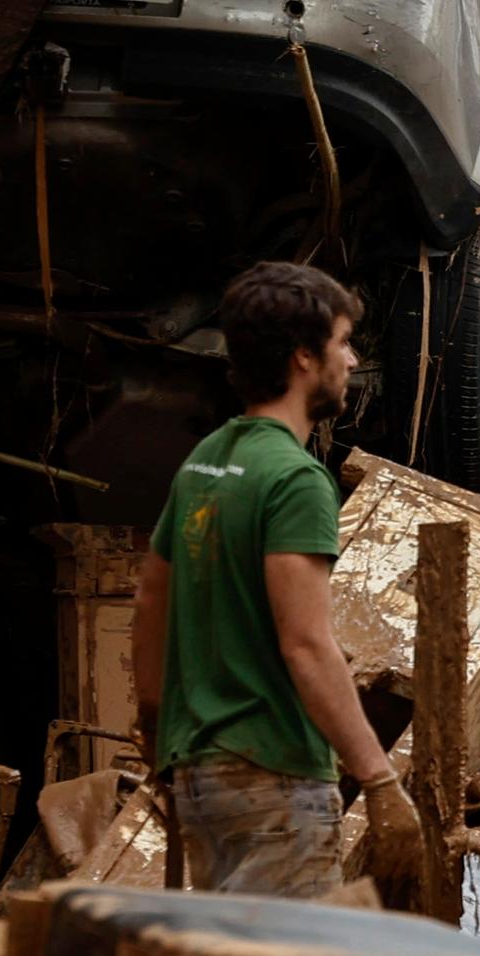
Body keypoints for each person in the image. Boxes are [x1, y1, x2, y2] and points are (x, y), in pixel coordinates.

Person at [135, 261, 418, 899]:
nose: (350, 360)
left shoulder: (204, 463)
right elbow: (306, 644)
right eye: (341, 343)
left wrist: (158, 735)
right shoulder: (294, 479)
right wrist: (378, 779)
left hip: (201, 776)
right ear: (301, 359)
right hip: (274, 781)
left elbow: (150, 601)